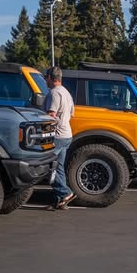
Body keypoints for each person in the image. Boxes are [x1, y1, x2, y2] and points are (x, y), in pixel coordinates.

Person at [43, 66, 76, 210]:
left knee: (48, 166)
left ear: (50, 78)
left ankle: (65, 192)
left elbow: (51, 115)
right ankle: (58, 201)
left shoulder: (55, 93)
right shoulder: (66, 93)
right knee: (59, 167)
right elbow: (72, 114)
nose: (45, 80)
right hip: (67, 134)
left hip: (57, 136)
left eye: (46, 77)